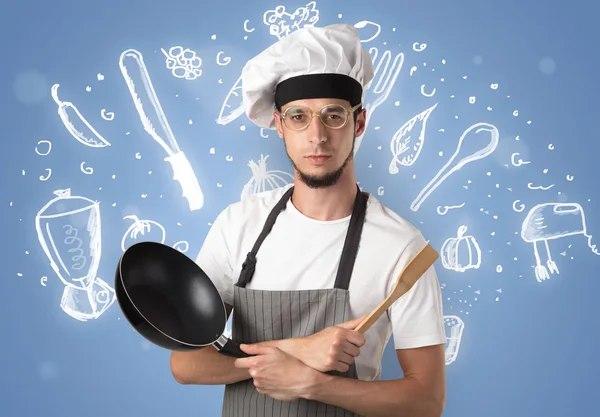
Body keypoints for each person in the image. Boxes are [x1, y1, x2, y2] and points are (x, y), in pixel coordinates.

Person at [170, 23, 447, 417]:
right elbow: (185, 364)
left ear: (360, 122)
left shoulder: (401, 247)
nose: (317, 136)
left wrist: (313, 383)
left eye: (333, 115)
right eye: (299, 117)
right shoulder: (238, 226)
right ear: (279, 124)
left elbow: (427, 400)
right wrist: (295, 350)